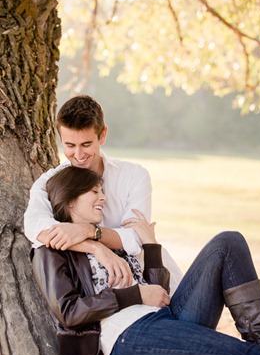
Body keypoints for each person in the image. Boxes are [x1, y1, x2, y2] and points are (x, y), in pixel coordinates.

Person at [31, 165, 260, 355]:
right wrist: (136, 294)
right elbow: (69, 311)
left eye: (102, 191)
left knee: (228, 242)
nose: (103, 197)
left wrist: (150, 246)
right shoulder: (50, 251)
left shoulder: (107, 238)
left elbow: (157, 292)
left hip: (167, 316)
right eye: (94, 192)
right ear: (71, 200)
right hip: (131, 338)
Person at [24, 95, 182, 293]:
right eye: (70, 146)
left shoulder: (133, 175)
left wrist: (87, 231)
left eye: (86, 144)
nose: (79, 156)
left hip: (160, 281)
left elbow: (135, 237)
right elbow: (35, 228)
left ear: (103, 135)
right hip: (117, 300)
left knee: (226, 244)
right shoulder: (49, 183)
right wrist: (95, 247)